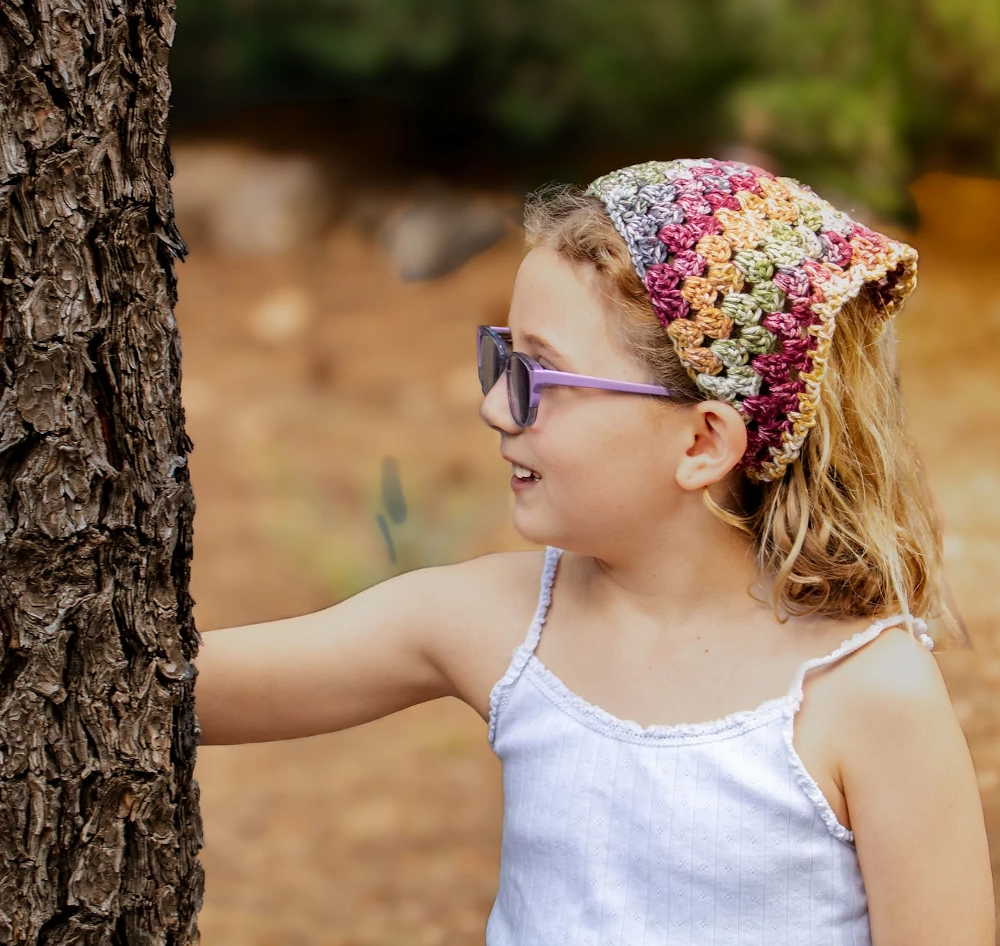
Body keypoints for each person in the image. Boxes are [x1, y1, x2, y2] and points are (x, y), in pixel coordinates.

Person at [194, 158, 995, 945]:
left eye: (538, 374)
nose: (492, 406)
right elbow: (184, 687)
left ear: (703, 440)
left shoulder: (869, 694)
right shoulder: (502, 624)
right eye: (502, 358)